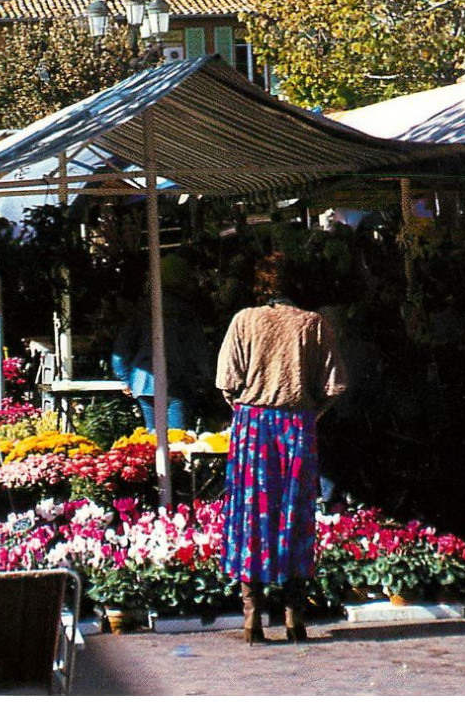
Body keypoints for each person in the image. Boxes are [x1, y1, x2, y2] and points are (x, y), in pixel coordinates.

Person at [216, 254, 347, 645]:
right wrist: (311, 416)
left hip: (252, 426)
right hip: (297, 425)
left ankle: (252, 616)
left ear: (262, 285)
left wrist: (248, 409)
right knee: (295, 512)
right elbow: (334, 385)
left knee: (250, 516)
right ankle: (294, 617)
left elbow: (227, 383)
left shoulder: (244, 321)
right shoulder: (313, 324)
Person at [112, 253, 211, 431]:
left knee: (152, 439)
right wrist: (205, 378)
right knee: (177, 439)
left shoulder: (143, 309)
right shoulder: (185, 311)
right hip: (177, 380)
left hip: (143, 381)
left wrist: (125, 378)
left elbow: (122, 348)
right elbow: (198, 349)